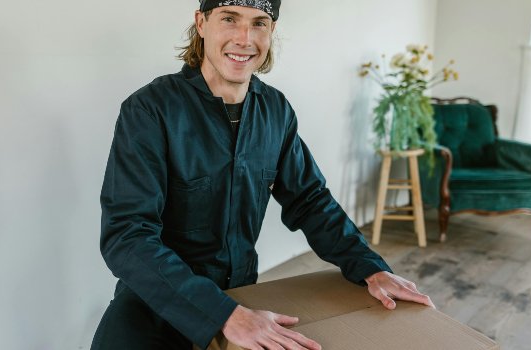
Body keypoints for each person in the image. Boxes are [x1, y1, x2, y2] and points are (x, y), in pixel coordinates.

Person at [92, 1, 435, 349]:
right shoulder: (150, 109)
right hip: (155, 308)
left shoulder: (276, 111)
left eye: (259, 23)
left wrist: (370, 267)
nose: (245, 38)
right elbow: (127, 236)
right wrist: (222, 314)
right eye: (229, 19)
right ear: (201, 23)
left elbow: (310, 200)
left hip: (243, 298)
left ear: (271, 31)